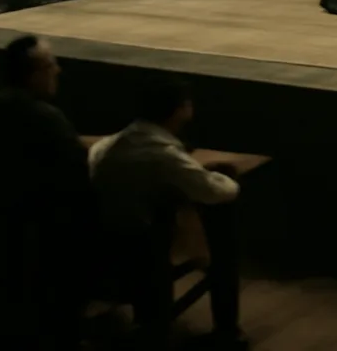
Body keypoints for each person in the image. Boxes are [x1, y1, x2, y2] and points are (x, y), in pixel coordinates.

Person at [89, 76, 246, 349]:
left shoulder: (105, 147)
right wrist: (228, 178)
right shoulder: (161, 154)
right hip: (139, 251)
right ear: (182, 109)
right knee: (221, 244)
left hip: (97, 246)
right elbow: (217, 192)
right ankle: (226, 331)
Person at [0, 35, 91, 350]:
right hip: (44, 241)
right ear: (35, 75)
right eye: (51, 65)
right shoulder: (48, 120)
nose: (58, 71)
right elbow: (77, 182)